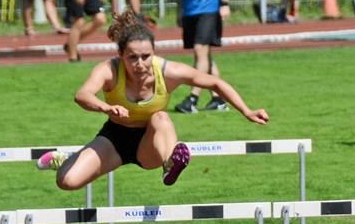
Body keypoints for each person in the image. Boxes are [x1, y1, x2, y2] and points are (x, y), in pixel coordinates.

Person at [36, 11, 269, 188]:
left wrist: (246, 111)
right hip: (115, 138)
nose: (140, 64)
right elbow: (82, 95)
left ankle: (170, 164)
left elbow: (215, 83)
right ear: (120, 55)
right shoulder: (109, 70)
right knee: (67, 181)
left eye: (146, 57)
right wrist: (106, 107)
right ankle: (70, 157)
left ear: (154, 53)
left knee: (161, 117)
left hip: (151, 143)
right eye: (133, 58)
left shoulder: (168, 71)